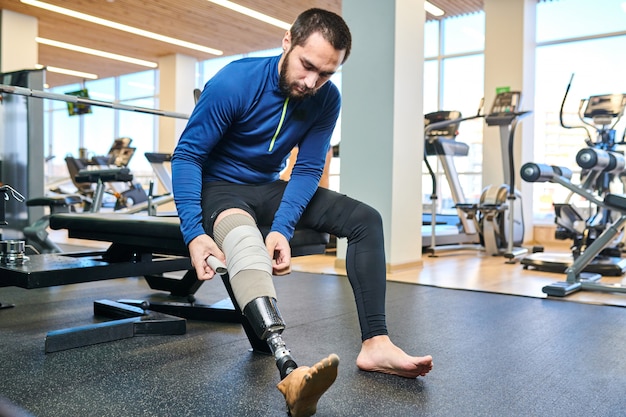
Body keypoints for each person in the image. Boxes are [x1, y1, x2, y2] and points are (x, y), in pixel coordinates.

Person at [171, 8, 433, 417]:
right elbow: (187, 155)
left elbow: (309, 167)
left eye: (325, 74)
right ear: (287, 41)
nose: (312, 82)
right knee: (243, 240)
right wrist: (192, 232)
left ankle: (376, 345)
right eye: (307, 65)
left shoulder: (326, 99)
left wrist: (281, 228)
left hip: (267, 188)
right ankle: (286, 365)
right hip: (219, 188)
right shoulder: (234, 82)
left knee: (366, 220)